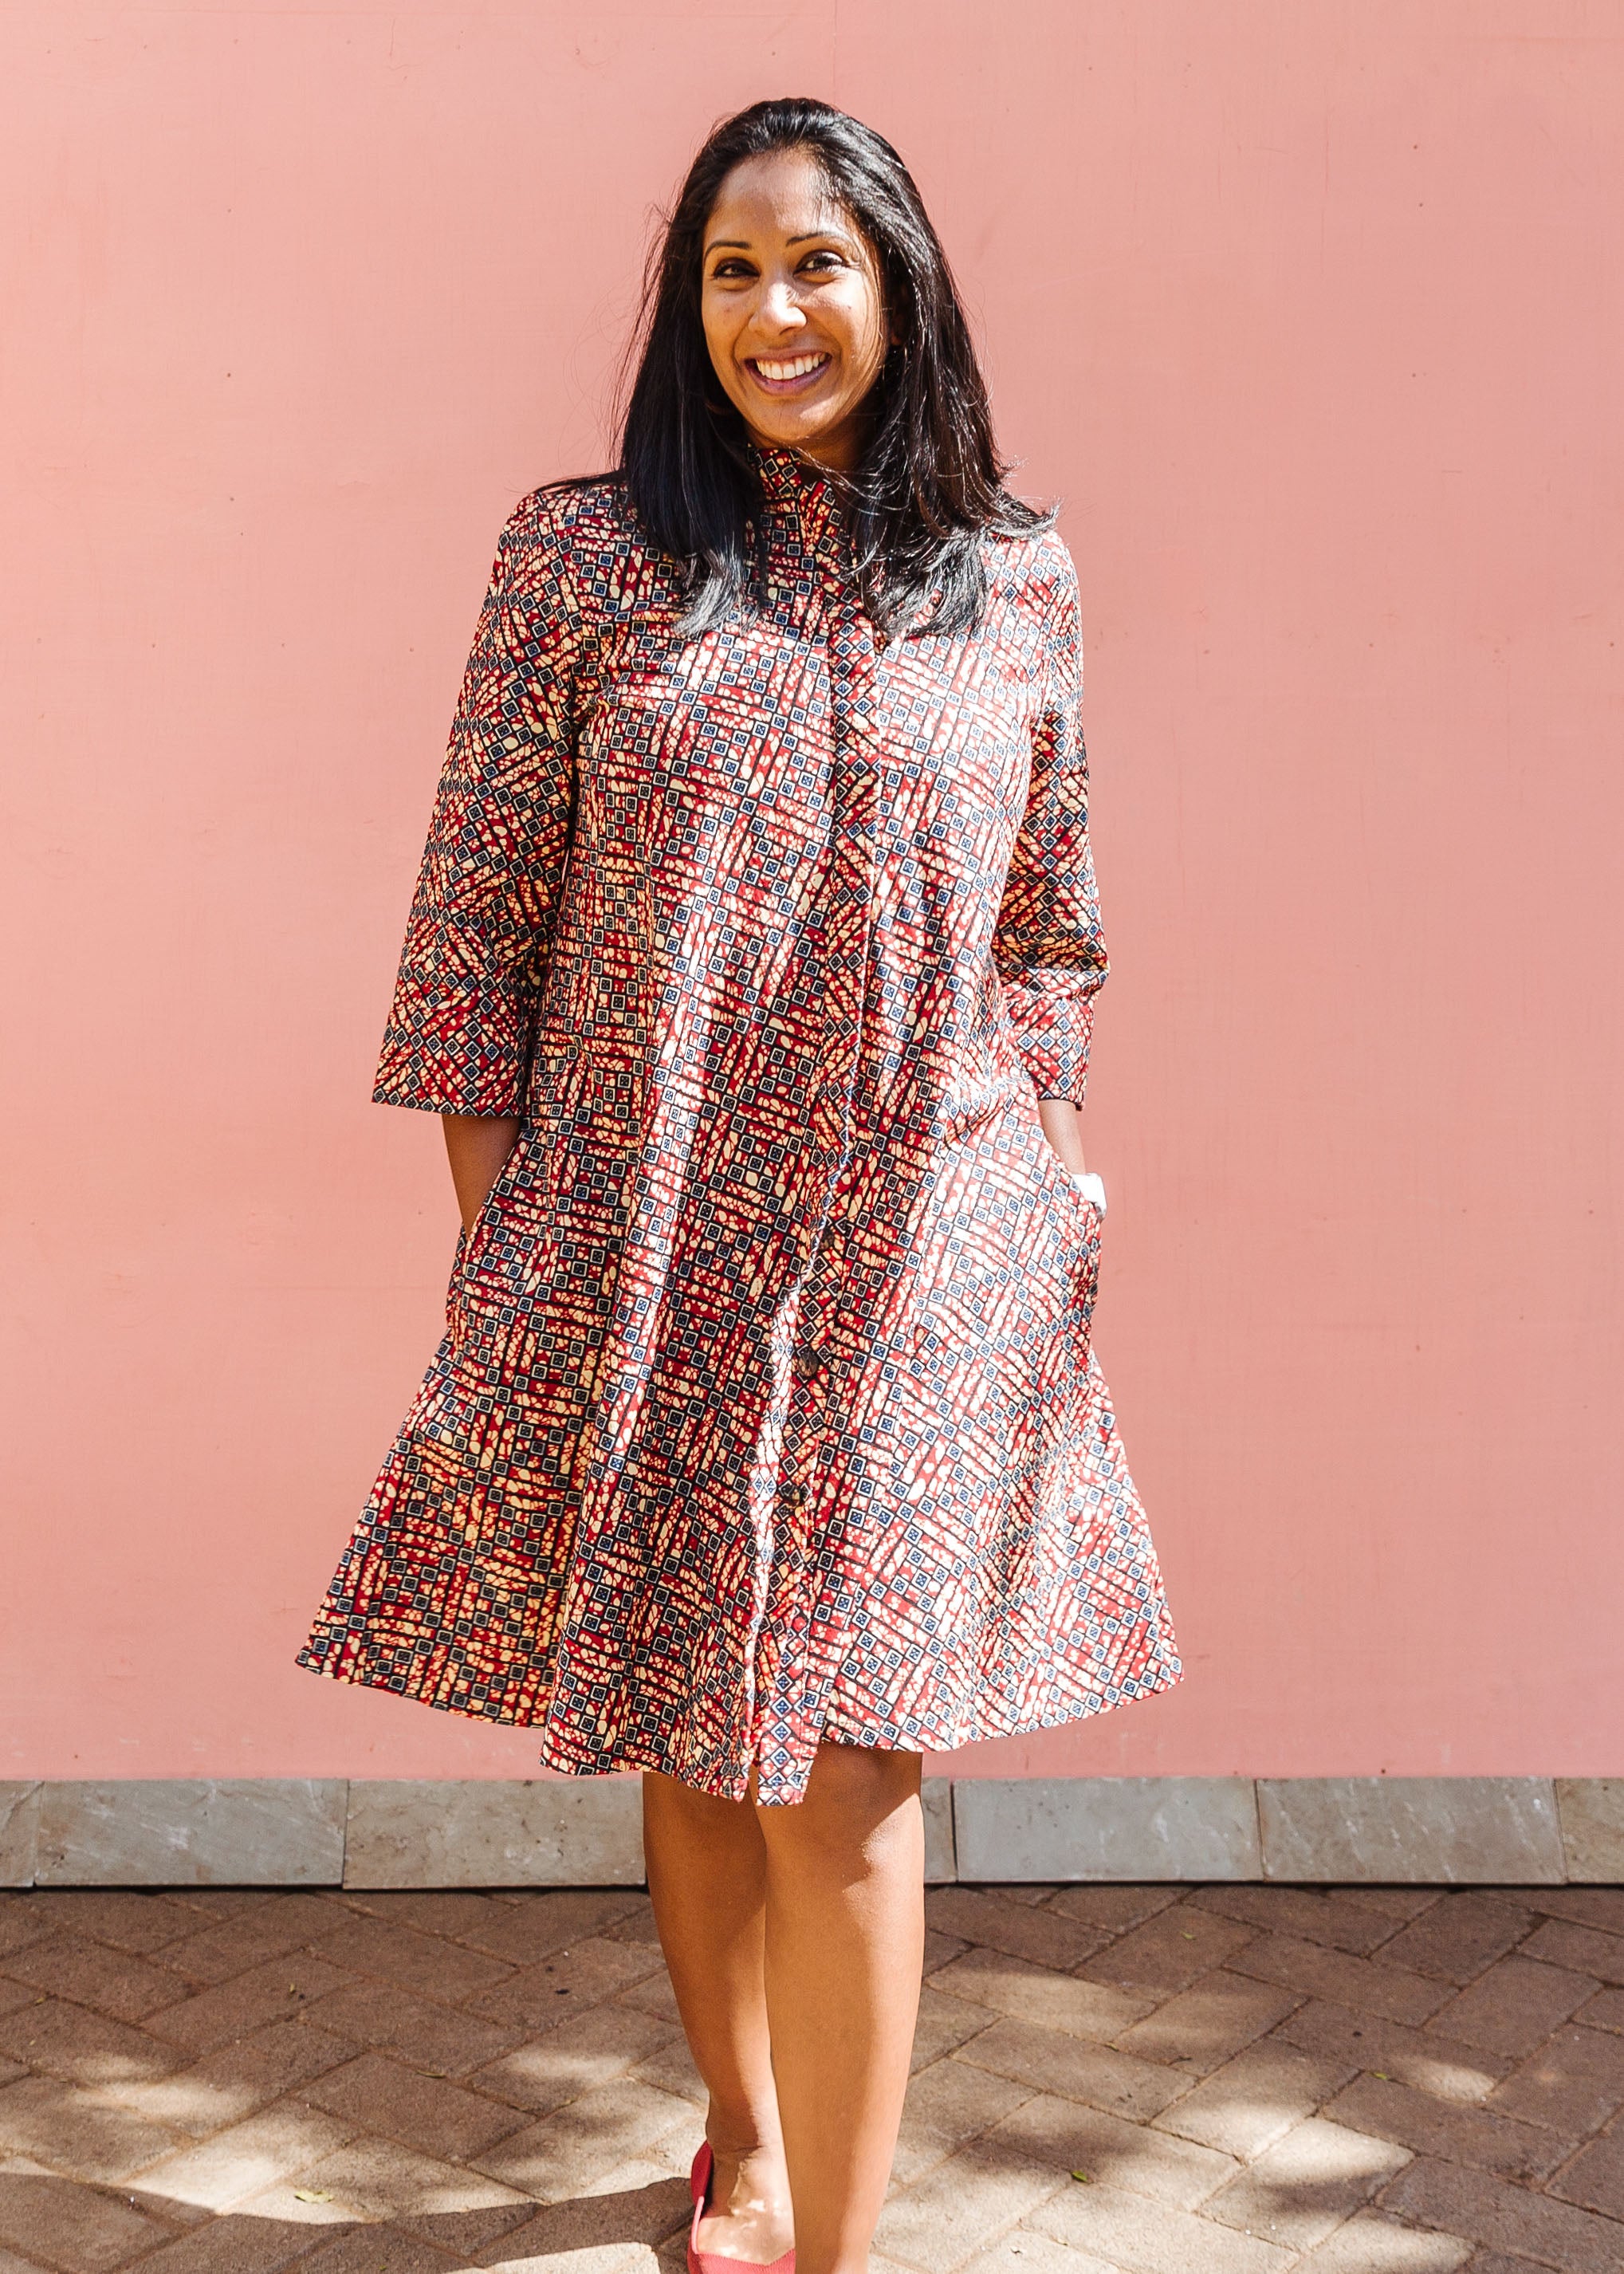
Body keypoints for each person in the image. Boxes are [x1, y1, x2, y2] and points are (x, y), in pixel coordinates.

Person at [299, 96, 1181, 2274]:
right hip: (653, 1228)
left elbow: (1050, 924)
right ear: (691, 309)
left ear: (899, 284)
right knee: (702, 1737)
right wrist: (509, 1239)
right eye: (731, 270)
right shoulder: (586, 558)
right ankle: (746, 2133)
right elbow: (471, 935)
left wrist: (1054, 1158)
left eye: (816, 263)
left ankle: (834, 2252)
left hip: (928, 1244)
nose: (775, 309)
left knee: (855, 1770)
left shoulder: (1023, 576)